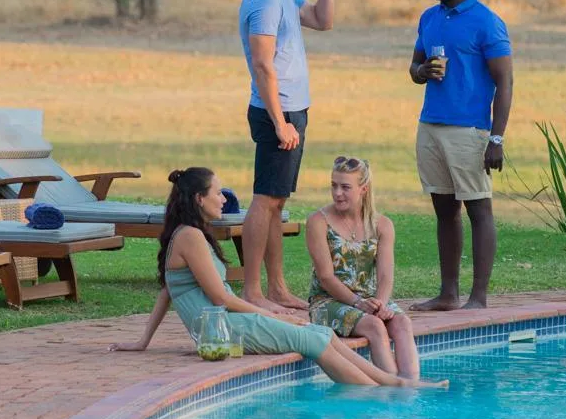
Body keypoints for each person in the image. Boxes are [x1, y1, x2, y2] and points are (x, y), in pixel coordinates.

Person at [110, 167, 444, 389]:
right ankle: (386, 389)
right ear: (199, 199)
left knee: (321, 333)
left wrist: (143, 341)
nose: (224, 198)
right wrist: (274, 314)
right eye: (217, 193)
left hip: (221, 327)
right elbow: (221, 299)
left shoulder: (190, 235)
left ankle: (392, 383)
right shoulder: (191, 238)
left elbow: (168, 290)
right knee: (312, 339)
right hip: (224, 329)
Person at [238, 0, 335, 313]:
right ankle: (252, 292)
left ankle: (276, 288)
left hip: (294, 109)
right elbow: (262, 65)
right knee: (264, 200)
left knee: (276, 201)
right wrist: (280, 122)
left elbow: (322, 21)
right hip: (276, 112)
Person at [408, 0, 513, 311]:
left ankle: (478, 298)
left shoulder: (488, 23)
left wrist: (496, 138)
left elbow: (505, 81)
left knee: (478, 210)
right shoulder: (429, 17)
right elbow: (415, 64)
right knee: (444, 211)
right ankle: (448, 294)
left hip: (469, 131)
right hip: (430, 126)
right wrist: (421, 73)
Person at [305, 156, 419, 380]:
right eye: (334, 185)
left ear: (363, 189)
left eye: (345, 187)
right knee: (375, 327)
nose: (337, 193)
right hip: (328, 301)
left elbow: (386, 276)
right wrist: (359, 303)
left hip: (369, 301)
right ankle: (392, 388)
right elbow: (326, 277)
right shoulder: (318, 221)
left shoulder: (382, 225)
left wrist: (382, 304)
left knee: (402, 322)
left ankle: (411, 390)